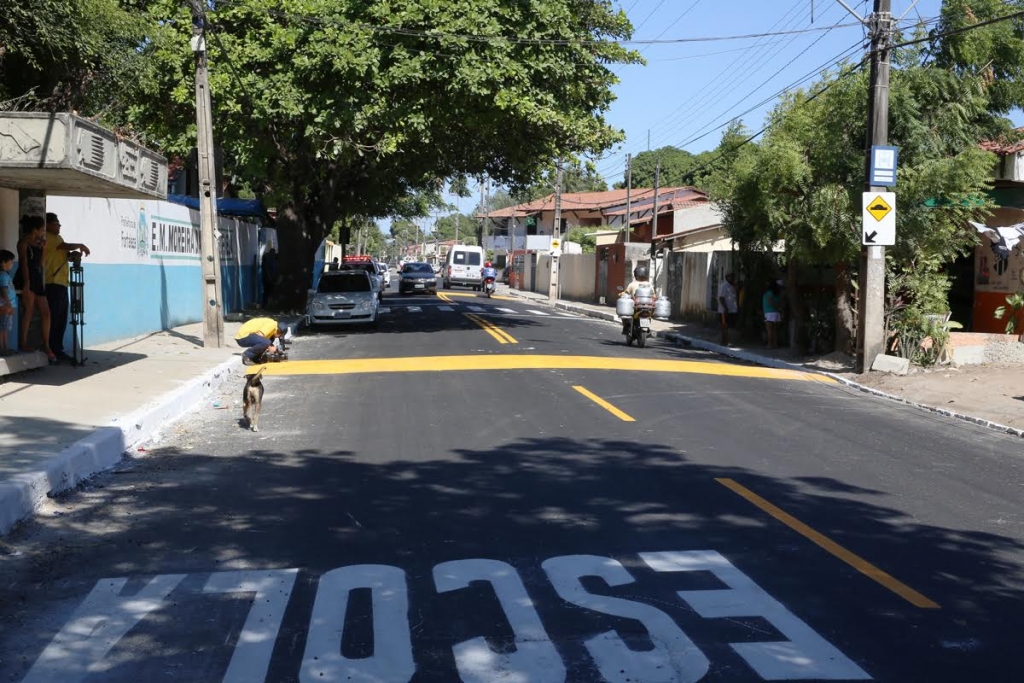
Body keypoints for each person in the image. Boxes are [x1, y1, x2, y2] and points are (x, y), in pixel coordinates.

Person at [43, 212, 90, 362]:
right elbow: (63, 246)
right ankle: (51, 349)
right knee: (55, 318)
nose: (59, 226)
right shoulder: (48, 237)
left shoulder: (57, 238)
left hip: (62, 283)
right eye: (56, 223)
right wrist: (80, 245)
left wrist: (73, 255)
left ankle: (58, 349)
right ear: (48, 224)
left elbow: (64, 251)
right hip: (52, 283)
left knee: (62, 319)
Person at [14, 216, 54, 362]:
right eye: (41, 228)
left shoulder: (38, 243)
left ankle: (46, 344)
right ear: (35, 229)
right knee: (29, 310)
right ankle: (23, 342)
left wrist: (44, 249)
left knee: (46, 312)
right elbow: (24, 264)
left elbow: (41, 264)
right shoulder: (23, 243)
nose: (43, 231)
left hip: (36, 277)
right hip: (26, 278)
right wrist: (26, 284)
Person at [0, 250, 16, 355]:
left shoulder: (6, 275)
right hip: (5, 306)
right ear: (3, 262)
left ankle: (5, 347)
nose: (12, 264)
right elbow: (3, 290)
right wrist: (8, 304)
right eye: (11, 261)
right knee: (2, 328)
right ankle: (2, 348)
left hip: (7, 306)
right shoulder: (2, 275)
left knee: (5, 328)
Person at [718, 272, 739, 346]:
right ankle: (724, 341)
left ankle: (728, 341)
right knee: (724, 326)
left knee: (730, 326)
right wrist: (725, 308)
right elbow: (721, 298)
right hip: (725, 310)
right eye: (731, 277)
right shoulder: (724, 286)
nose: (732, 278)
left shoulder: (733, 286)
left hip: (732, 310)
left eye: (733, 277)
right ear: (727, 277)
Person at [762, 281, 782, 349]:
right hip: (775, 312)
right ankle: (775, 344)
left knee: (769, 330)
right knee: (775, 330)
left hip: (769, 313)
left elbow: (771, 302)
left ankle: (770, 344)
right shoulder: (776, 294)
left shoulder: (769, 293)